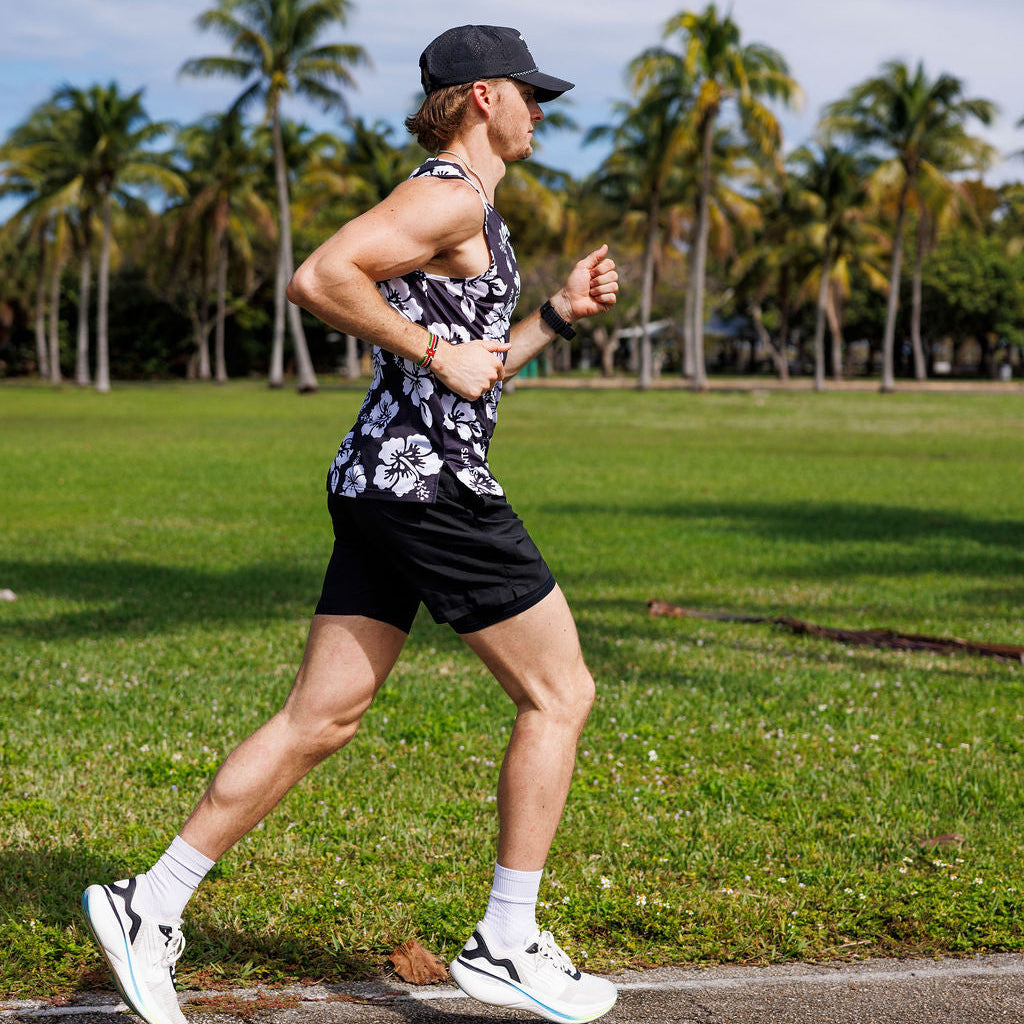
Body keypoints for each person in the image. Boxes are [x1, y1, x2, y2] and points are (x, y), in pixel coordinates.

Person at [81, 23, 619, 1024]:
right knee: (560, 691)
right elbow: (320, 277)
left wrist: (553, 316)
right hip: (430, 489)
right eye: (528, 92)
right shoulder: (448, 195)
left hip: (386, 483)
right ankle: (507, 939)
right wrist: (431, 349)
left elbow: (476, 367)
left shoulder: (472, 209)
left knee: (319, 719)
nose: (540, 111)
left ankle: (146, 904)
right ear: (481, 97)